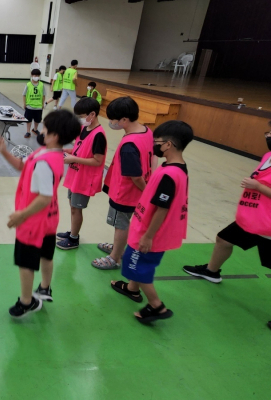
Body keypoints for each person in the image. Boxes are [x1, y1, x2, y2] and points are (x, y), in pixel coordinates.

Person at [0, 110, 81, 318]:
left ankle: (26, 302)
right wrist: (4, 152)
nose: (41, 131)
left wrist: (21, 215)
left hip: (33, 220)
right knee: (46, 254)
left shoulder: (44, 163)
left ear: (54, 136)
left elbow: (43, 197)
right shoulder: (50, 154)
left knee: (26, 262)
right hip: (50, 218)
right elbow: (23, 167)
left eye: (45, 129)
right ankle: (45, 287)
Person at [183, 124, 271, 329]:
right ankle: (212, 271)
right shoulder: (268, 156)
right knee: (224, 239)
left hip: (268, 226)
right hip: (254, 217)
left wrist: (257, 187)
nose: (268, 135)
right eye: (269, 131)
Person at [111, 120, 193, 323]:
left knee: (137, 267)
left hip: (150, 234)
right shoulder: (177, 167)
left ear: (168, 145)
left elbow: (162, 208)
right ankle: (132, 289)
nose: (153, 145)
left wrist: (147, 237)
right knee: (141, 265)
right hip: (150, 230)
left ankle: (157, 306)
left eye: (157, 141)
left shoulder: (170, 174)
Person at [93, 96, 156, 270]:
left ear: (124, 120)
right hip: (137, 193)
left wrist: (147, 190)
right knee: (125, 222)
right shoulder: (147, 131)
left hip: (125, 194)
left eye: (113, 119)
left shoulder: (129, 145)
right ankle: (118, 246)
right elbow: (155, 157)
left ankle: (115, 257)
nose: (111, 122)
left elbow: (135, 177)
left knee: (120, 224)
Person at [57, 97, 107, 249]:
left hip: (85, 178)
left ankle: (73, 239)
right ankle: (73, 232)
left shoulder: (99, 135)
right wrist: (69, 151)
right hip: (75, 175)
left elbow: (98, 161)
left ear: (92, 114)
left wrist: (74, 158)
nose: (80, 120)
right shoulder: (84, 129)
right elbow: (81, 149)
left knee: (76, 208)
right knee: (72, 207)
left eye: (81, 116)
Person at [23, 69, 45, 139]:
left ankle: (35, 129)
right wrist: (24, 104)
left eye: (38, 75)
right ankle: (28, 131)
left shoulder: (41, 84)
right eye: (35, 75)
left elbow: (43, 95)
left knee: (37, 119)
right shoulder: (28, 84)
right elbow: (24, 95)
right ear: (32, 75)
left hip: (38, 106)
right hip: (30, 106)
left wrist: (42, 104)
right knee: (28, 119)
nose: (36, 77)